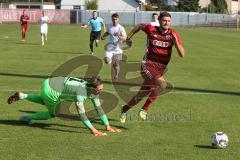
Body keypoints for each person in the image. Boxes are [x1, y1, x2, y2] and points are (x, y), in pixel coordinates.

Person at [120, 11, 185, 123]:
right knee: (163, 85)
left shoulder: (173, 34)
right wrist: (128, 38)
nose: (166, 23)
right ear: (159, 21)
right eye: (164, 20)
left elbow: (182, 54)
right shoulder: (151, 29)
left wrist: (176, 43)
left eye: (169, 21)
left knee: (142, 94)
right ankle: (145, 109)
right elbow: (140, 26)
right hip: (147, 65)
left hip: (160, 69)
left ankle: (124, 109)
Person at [7, 76, 120, 136]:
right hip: (51, 90)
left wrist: (107, 125)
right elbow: (82, 115)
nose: (101, 91)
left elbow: (98, 108)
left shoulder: (93, 91)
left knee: (43, 100)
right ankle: (26, 118)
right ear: (92, 88)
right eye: (99, 89)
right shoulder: (80, 93)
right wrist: (93, 130)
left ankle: (22, 96)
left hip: (48, 82)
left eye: (102, 88)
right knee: (53, 113)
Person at [101, 13, 127, 81]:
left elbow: (125, 38)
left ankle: (116, 75)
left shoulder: (121, 28)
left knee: (116, 64)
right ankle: (111, 60)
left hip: (118, 48)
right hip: (110, 47)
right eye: (113, 19)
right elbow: (108, 32)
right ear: (111, 19)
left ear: (118, 19)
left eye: (116, 19)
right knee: (106, 61)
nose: (115, 20)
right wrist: (103, 36)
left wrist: (118, 35)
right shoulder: (110, 26)